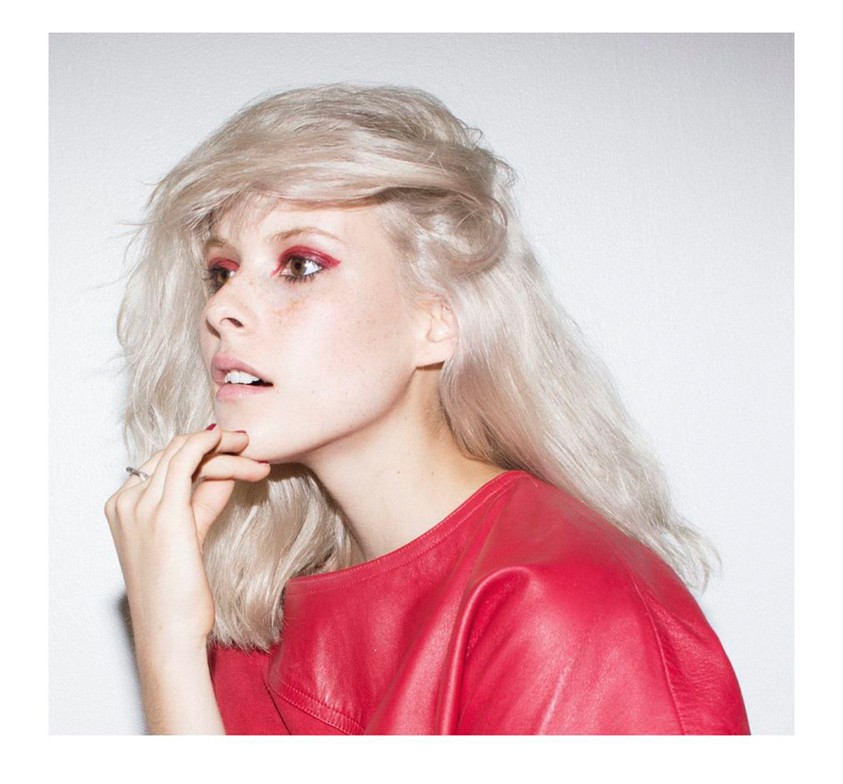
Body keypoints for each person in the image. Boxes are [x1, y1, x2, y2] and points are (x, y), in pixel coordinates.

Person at [104, 84, 749, 735]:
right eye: (221, 270)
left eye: (299, 264)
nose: (220, 308)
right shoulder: (251, 607)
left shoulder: (564, 606)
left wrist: (166, 641)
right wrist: (168, 638)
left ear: (438, 320)